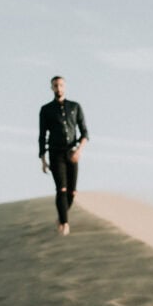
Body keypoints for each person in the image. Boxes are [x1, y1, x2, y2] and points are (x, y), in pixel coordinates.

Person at [39, 75, 89, 235]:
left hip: (72, 152)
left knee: (72, 192)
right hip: (55, 154)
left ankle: (61, 216)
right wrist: (43, 159)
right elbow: (42, 135)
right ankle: (65, 224)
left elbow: (85, 132)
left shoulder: (75, 107)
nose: (58, 88)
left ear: (65, 87)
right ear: (51, 88)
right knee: (61, 188)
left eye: (60, 85)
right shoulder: (46, 110)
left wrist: (79, 150)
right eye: (55, 85)